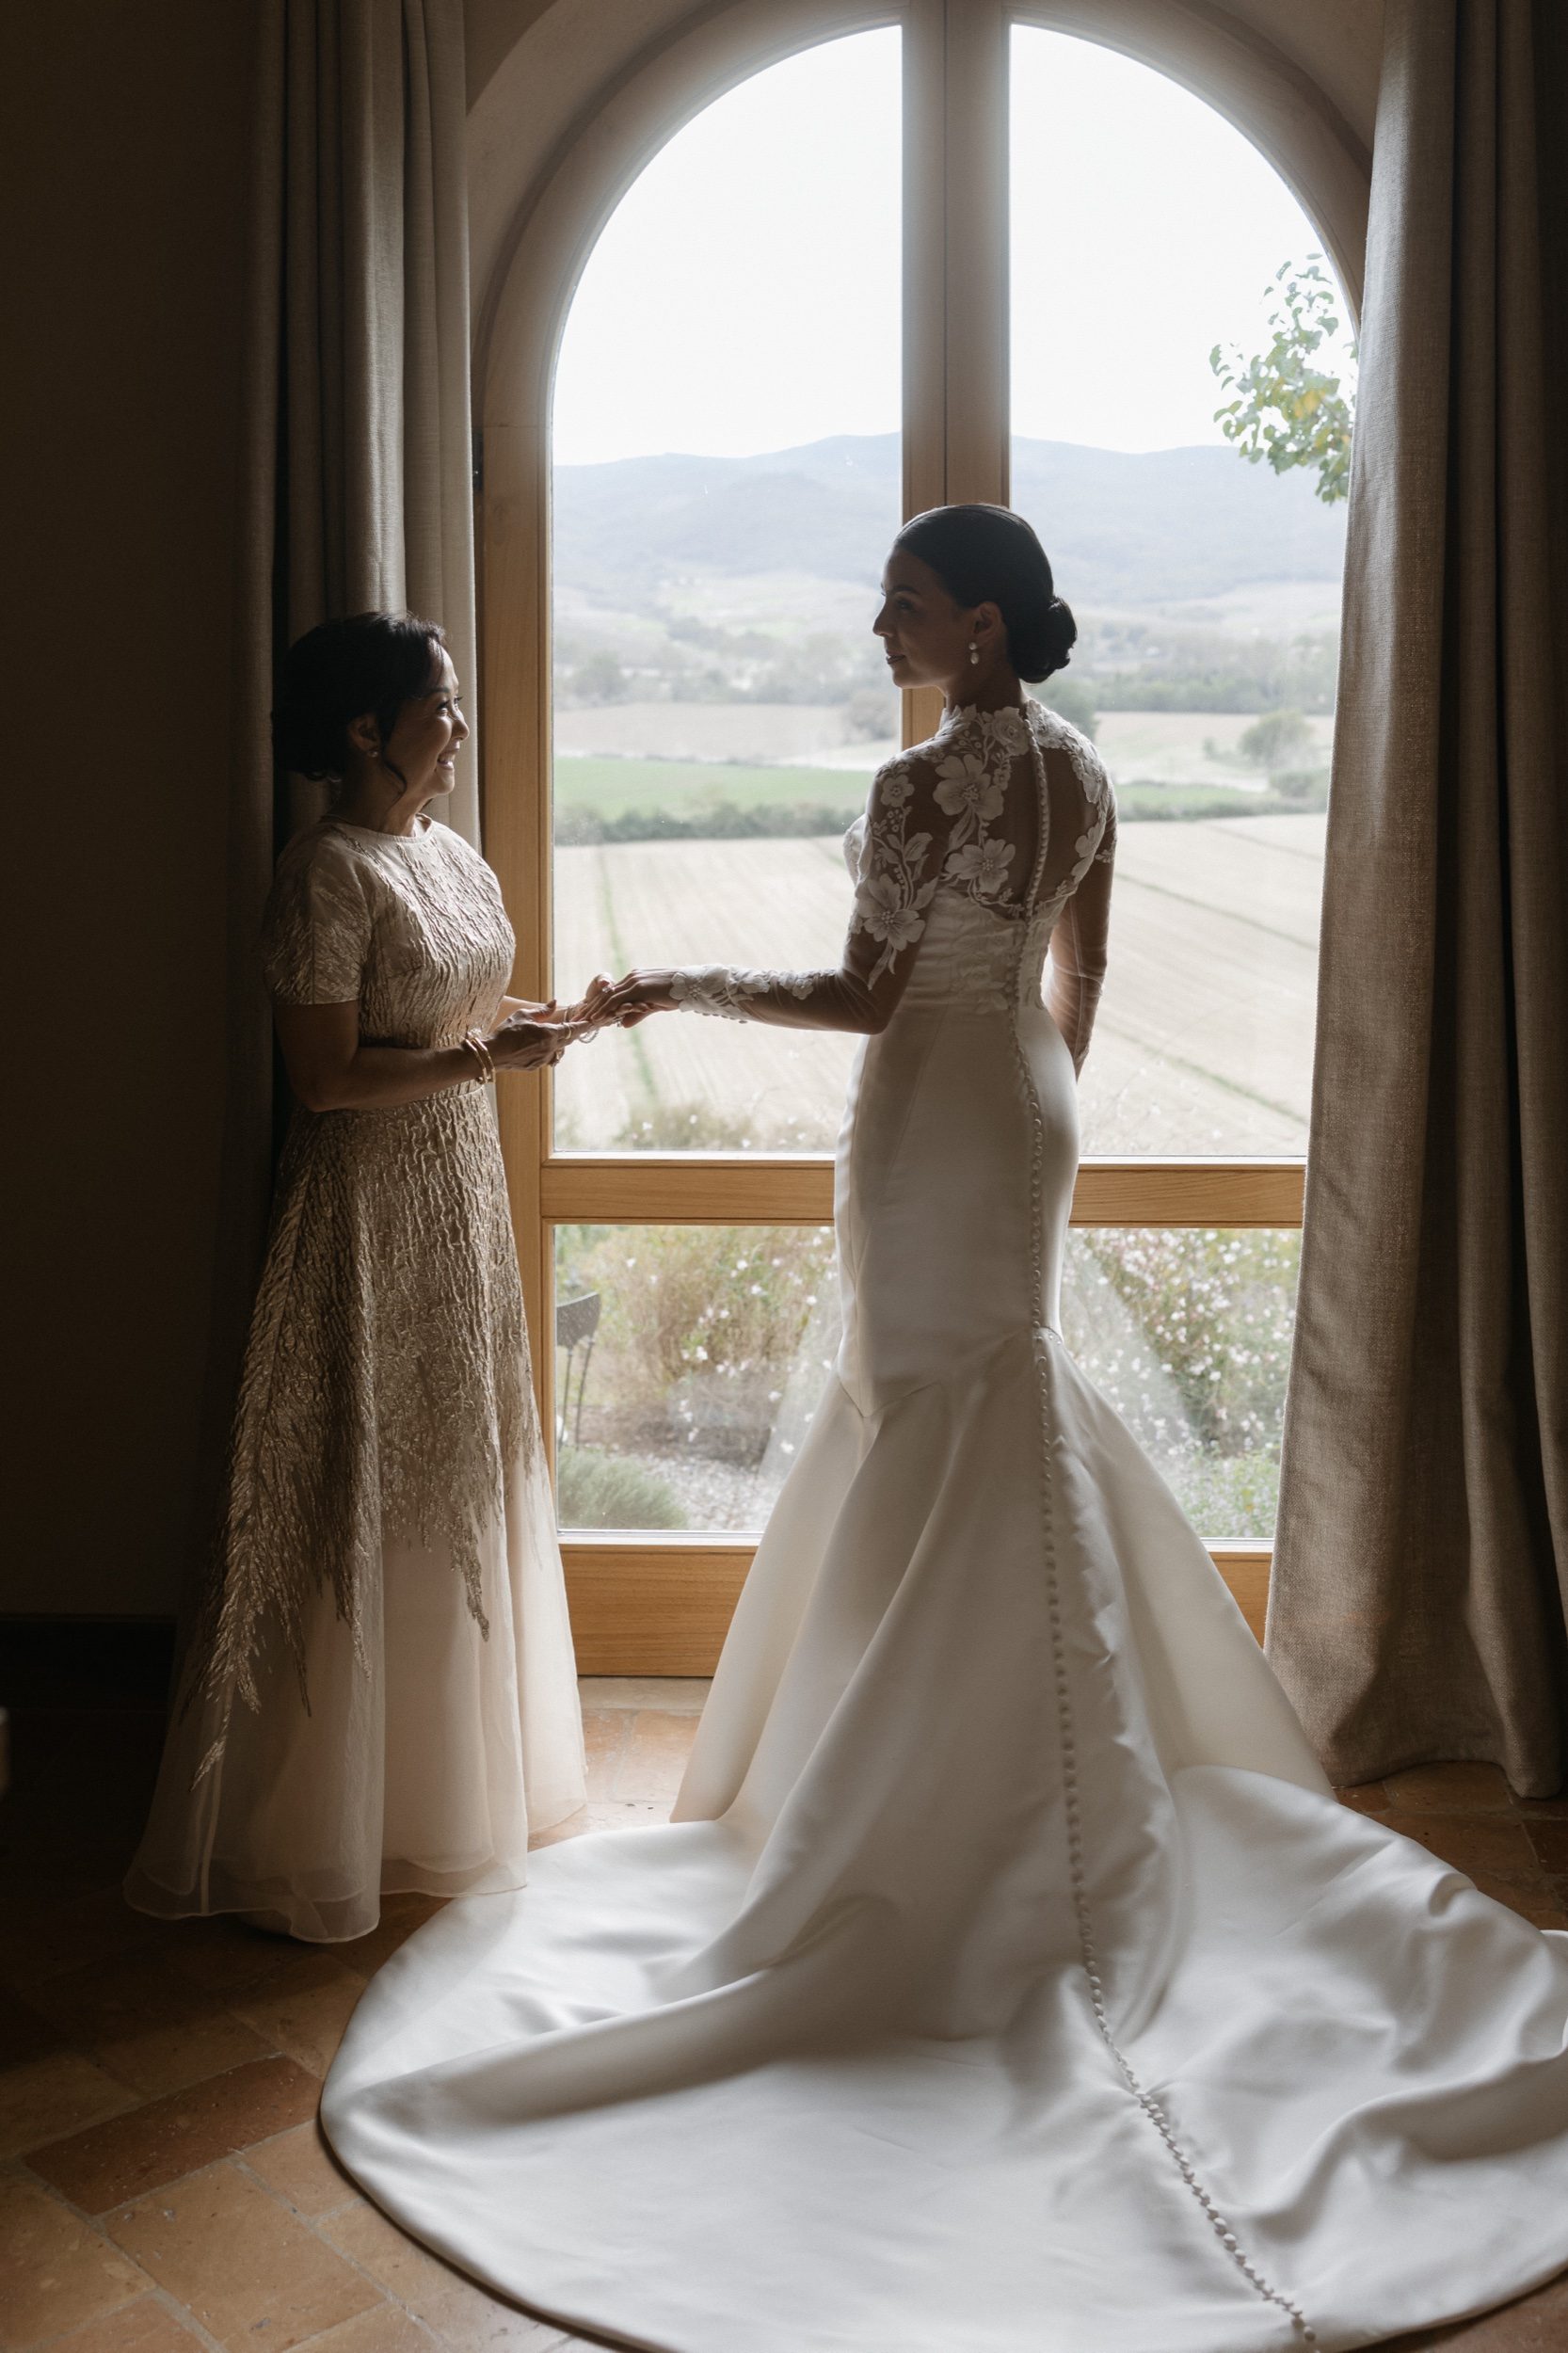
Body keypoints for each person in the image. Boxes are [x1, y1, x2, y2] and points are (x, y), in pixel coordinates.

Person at [321, 518, 1568, 2349]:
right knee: (996, 1392)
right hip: (1019, 1113)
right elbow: (1080, 985)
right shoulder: (1081, 768)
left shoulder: (922, 781)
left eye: (902, 600)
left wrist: (672, 990)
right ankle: (1023, 1754)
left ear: (976, 624)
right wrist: (1024, 1097)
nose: (876, 621)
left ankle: (920, 1800)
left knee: (930, 1413)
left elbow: (865, 998)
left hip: (924, 1114)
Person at [126, 612, 590, 1943]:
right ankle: (331, 1813)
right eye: (440, 704)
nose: (458, 723)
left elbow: (452, 1012)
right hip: (366, 1208)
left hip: (458, 1192)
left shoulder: (444, 851)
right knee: (361, 1475)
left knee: (455, 1467)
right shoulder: (323, 873)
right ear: (362, 729)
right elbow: (325, 1081)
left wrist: (540, 1023)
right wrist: (481, 1068)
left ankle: (447, 1788)